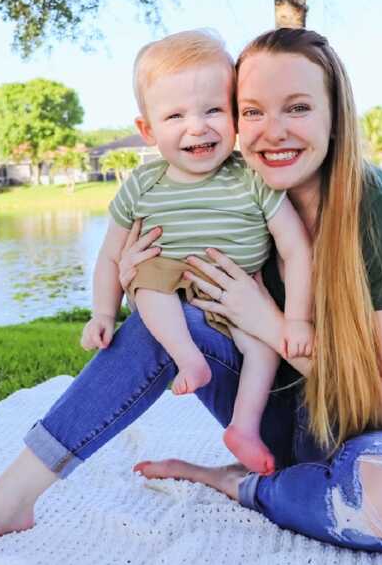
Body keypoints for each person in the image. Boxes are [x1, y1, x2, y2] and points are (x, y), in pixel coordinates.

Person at [0, 27, 382, 562]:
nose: (273, 131)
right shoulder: (230, 191)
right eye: (252, 111)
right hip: (277, 411)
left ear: (335, 116)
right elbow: (162, 297)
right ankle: (9, 499)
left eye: (298, 107)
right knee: (156, 322)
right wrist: (138, 279)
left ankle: (237, 483)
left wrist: (270, 323)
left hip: (367, 433)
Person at [83, 29, 313, 475]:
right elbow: (111, 257)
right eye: (175, 116)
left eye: (213, 110)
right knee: (146, 279)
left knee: (264, 349)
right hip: (170, 287)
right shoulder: (142, 185)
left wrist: (298, 319)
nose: (198, 126)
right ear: (147, 129)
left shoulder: (251, 178)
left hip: (242, 299)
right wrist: (103, 314)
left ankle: (243, 428)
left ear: (234, 116)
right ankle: (187, 359)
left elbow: (295, 247)